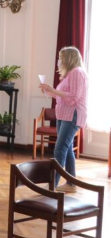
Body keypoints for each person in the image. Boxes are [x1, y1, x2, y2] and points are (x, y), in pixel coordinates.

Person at [39, 46, 88, 192]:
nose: (59, 60)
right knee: (66, 150)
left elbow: (73, 98)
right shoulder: (71, 74)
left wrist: (53, 90)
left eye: (61, 57)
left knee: (59, 150)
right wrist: (50, 91)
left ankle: (51, 185)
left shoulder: (77, 72)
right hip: (65, 115)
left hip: (73, 115)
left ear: (68, 59)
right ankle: (71, 183)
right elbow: (63, 96)